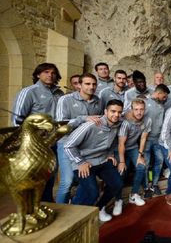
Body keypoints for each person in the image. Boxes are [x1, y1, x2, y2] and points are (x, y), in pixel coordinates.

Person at [11, 62, 64, 202]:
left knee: (50, 173)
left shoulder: (60, 93)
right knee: (34, 176)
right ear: (38, 74)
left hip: (54, 141)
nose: (50, 75)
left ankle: (46, 202)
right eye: (46, 72)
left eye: (53, 73)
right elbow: (17, 119)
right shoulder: (29, 92)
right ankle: (30, 206)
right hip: (35, 143)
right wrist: (26, 141)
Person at [64, 99, 123, 222]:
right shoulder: (91, 125)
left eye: (119, 112)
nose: (116, 115)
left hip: (102, 159)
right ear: (105, 111)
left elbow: (113, 142)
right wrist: (80, 162)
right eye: (113, 111)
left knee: (117, 184)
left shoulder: (117, 124)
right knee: (92, 192)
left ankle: (99, 208)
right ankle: (74, 214)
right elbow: (68, 145)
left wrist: (111, 154)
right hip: (84, 161)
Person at [55, 73, 103, 204]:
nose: (91, 87)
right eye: (87, 84)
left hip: (87, 146)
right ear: (79, 85)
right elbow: (60, 124)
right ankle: (60, 213)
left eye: (94, 84)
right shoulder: (65, 100)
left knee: (85, 178)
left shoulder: (98, 101)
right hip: (67, 144)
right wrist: (82, 118)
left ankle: (75, 207)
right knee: (67, 181)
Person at [115, 99, 151, 215]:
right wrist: (121, 161)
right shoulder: (126, 122)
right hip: (120, 148)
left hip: (133, 147)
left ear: (144, 110)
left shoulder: (147, 120)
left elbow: (143, 138)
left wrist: (140, 155)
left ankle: (133, 195)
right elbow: (121, 144)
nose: (139, 112)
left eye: (141, 109)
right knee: (121, 171)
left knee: (141, 166)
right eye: (136, 109)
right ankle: (118, 199)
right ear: (132, 109)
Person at [143, 84, 170, 198]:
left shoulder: (161, 105)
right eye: (164, 96)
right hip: (146, 140)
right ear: (159, 93)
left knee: (159, 161)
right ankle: (146, 187)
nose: (165, 99)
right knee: (146, 163)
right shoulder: (144, 103)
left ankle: (154, 184)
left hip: (158, 139)